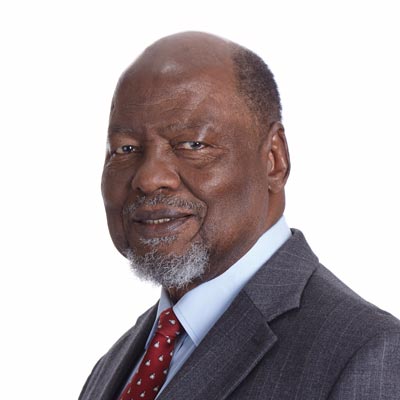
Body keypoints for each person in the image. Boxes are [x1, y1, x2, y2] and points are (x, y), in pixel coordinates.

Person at [79, 32, 400, 400]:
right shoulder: (115, 366)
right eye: (125, 149)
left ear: (273, 160)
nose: (150, 178)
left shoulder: (366, 355)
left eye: (193, 144)